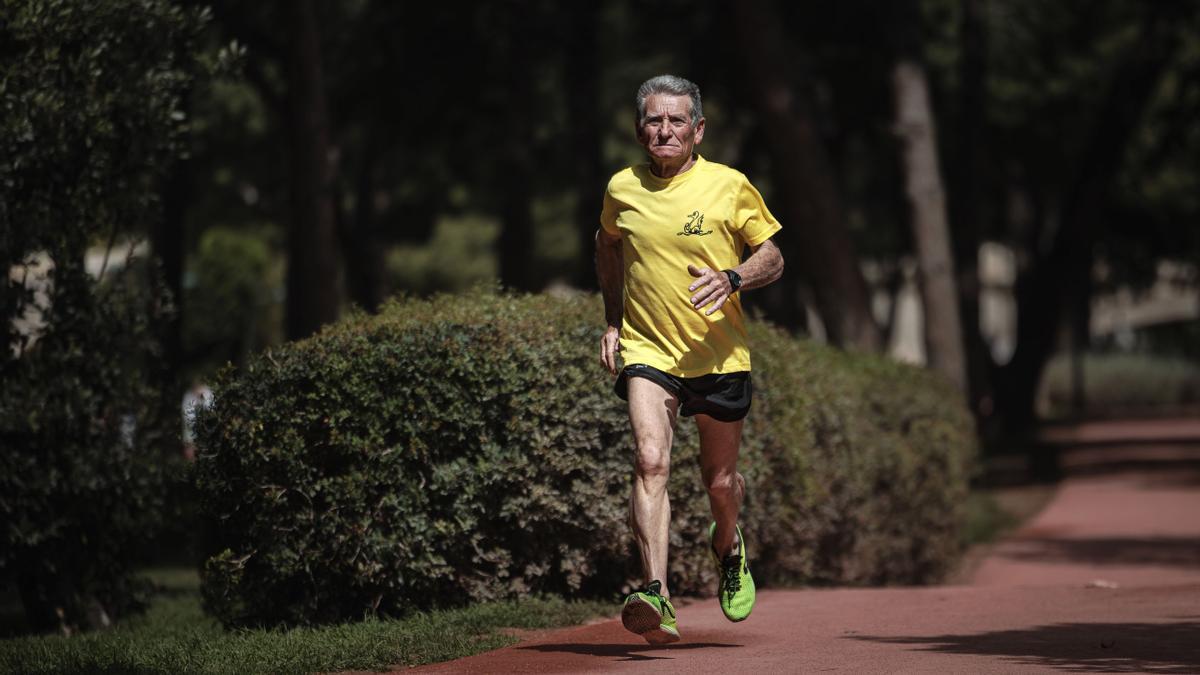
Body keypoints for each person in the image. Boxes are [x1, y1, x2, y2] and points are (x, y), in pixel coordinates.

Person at [595, 74, 785, 644]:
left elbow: (772, 257)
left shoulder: (729, 186)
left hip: (719, 357)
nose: (665, 129)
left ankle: (727, 545)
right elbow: (607, 246)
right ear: (639, 130)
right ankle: (655, 592)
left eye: (677, 120)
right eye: (654, 120)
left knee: (719, 481)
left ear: (698, 131)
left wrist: (733, 278)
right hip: (649, 351)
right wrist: (611, 319)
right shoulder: (621, 189)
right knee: (650, 460)